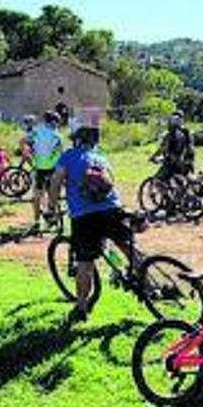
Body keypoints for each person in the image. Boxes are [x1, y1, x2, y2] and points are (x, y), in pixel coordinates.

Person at [48, 116, 127, 322]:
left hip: (84, 215)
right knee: (127, 247)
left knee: (85, 262)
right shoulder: (100, 156)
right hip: (112, 208)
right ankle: (146, 280)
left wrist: (51, 206)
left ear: (76, 139)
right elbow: (113, 181)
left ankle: (81, 307)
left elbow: (55, 182)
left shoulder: (67, 156)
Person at [30, 111, 64, 230]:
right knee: (53, 194)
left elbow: (24, 141)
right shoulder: (57, 135)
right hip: (52, 169)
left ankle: (36, 222)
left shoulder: (36, 131)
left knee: (37, 196)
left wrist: (29, 155)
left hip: (39, 168)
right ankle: (51, 217)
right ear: (54, 122)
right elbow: (61, 153)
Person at [151, 111, 194, 181]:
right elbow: (191, 148)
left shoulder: (171, 134)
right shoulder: (187, 132)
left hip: (174, 163)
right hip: (187, 163)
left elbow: (163, 148)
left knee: (158, 179)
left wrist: (154, 156)